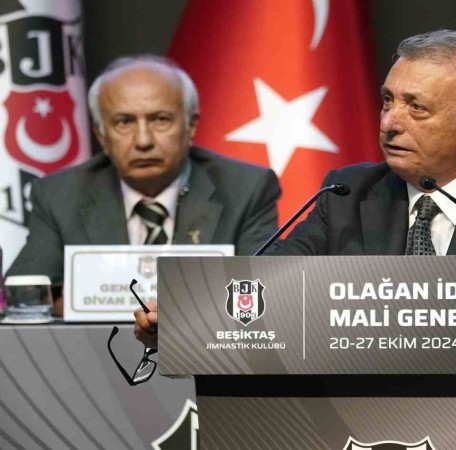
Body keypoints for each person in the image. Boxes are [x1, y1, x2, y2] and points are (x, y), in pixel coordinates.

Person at [134, 31, 456, 449]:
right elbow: (268, 286)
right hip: (365, 431)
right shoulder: (346, 193)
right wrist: (187, 321)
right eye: (389, 100)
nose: (391, 122)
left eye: (417, 108)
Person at [8, 55, 280, 314]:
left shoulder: (246, 188)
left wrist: (92, 300)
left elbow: (265, 292)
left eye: (160, 120)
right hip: (98, 345)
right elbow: (25, 295)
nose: (143, 141)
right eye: (124, 122)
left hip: (206, 345)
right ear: (101, 135)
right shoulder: (59, 195)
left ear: (191, 126)